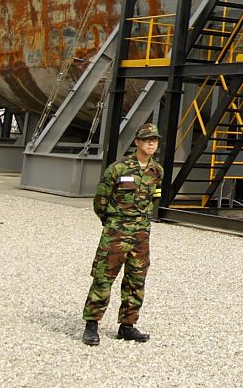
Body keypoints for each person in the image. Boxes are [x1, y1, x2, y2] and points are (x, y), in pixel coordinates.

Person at [82, 123, 164, 345]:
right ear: (137, 142)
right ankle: (92, 324)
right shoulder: (118, 169)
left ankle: (127, 325)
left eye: (154, 140)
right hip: (116, 232)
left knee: (136, 279)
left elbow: (154, 198)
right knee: (103, 277)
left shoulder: (157, 170)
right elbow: (100, 200)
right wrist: (112, 223)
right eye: (147, 139)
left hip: (141, 234)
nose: (151, 143)